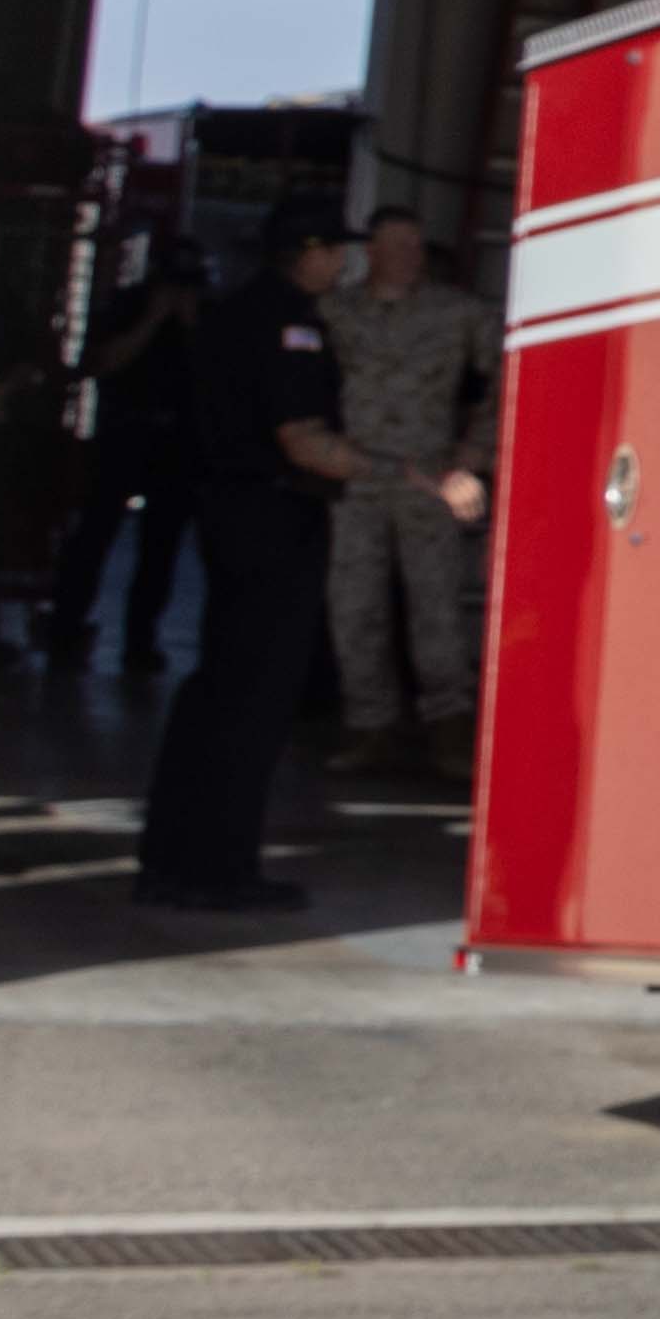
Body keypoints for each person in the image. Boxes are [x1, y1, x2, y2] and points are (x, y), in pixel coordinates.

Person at [131, 217, 350, 912]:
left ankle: (170, 859)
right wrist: (406, 472)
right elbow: (301, 438)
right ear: (308, 251)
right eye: (335, 246)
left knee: (215, 690)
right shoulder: (290, 323)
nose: (342, 259)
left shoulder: (229, 311)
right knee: (253, 700)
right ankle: (218, 868)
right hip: (273, 514)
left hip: (228, 512)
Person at [318, 211, 494, 778]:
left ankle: (449, 729)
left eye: (418, 245)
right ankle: (369, 726)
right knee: (354, 607)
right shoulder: (334, 312)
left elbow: (503, 383)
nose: (411, 256)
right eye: (399, 245)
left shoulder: (459, 313)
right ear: (371, 249)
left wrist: (472, 458)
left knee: (436, 608)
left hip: (429, 480)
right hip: (355, 480)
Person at [31, 254, 199, 678]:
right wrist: (151, 319)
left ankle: (140, 641)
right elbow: (100, 363)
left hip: (176, 445)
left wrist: (192, 322)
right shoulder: (127, 307)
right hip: (124, 435)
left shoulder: (205, 317)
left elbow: (219, 377)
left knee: (159, 549)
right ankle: (67, 628)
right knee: (93, 536)